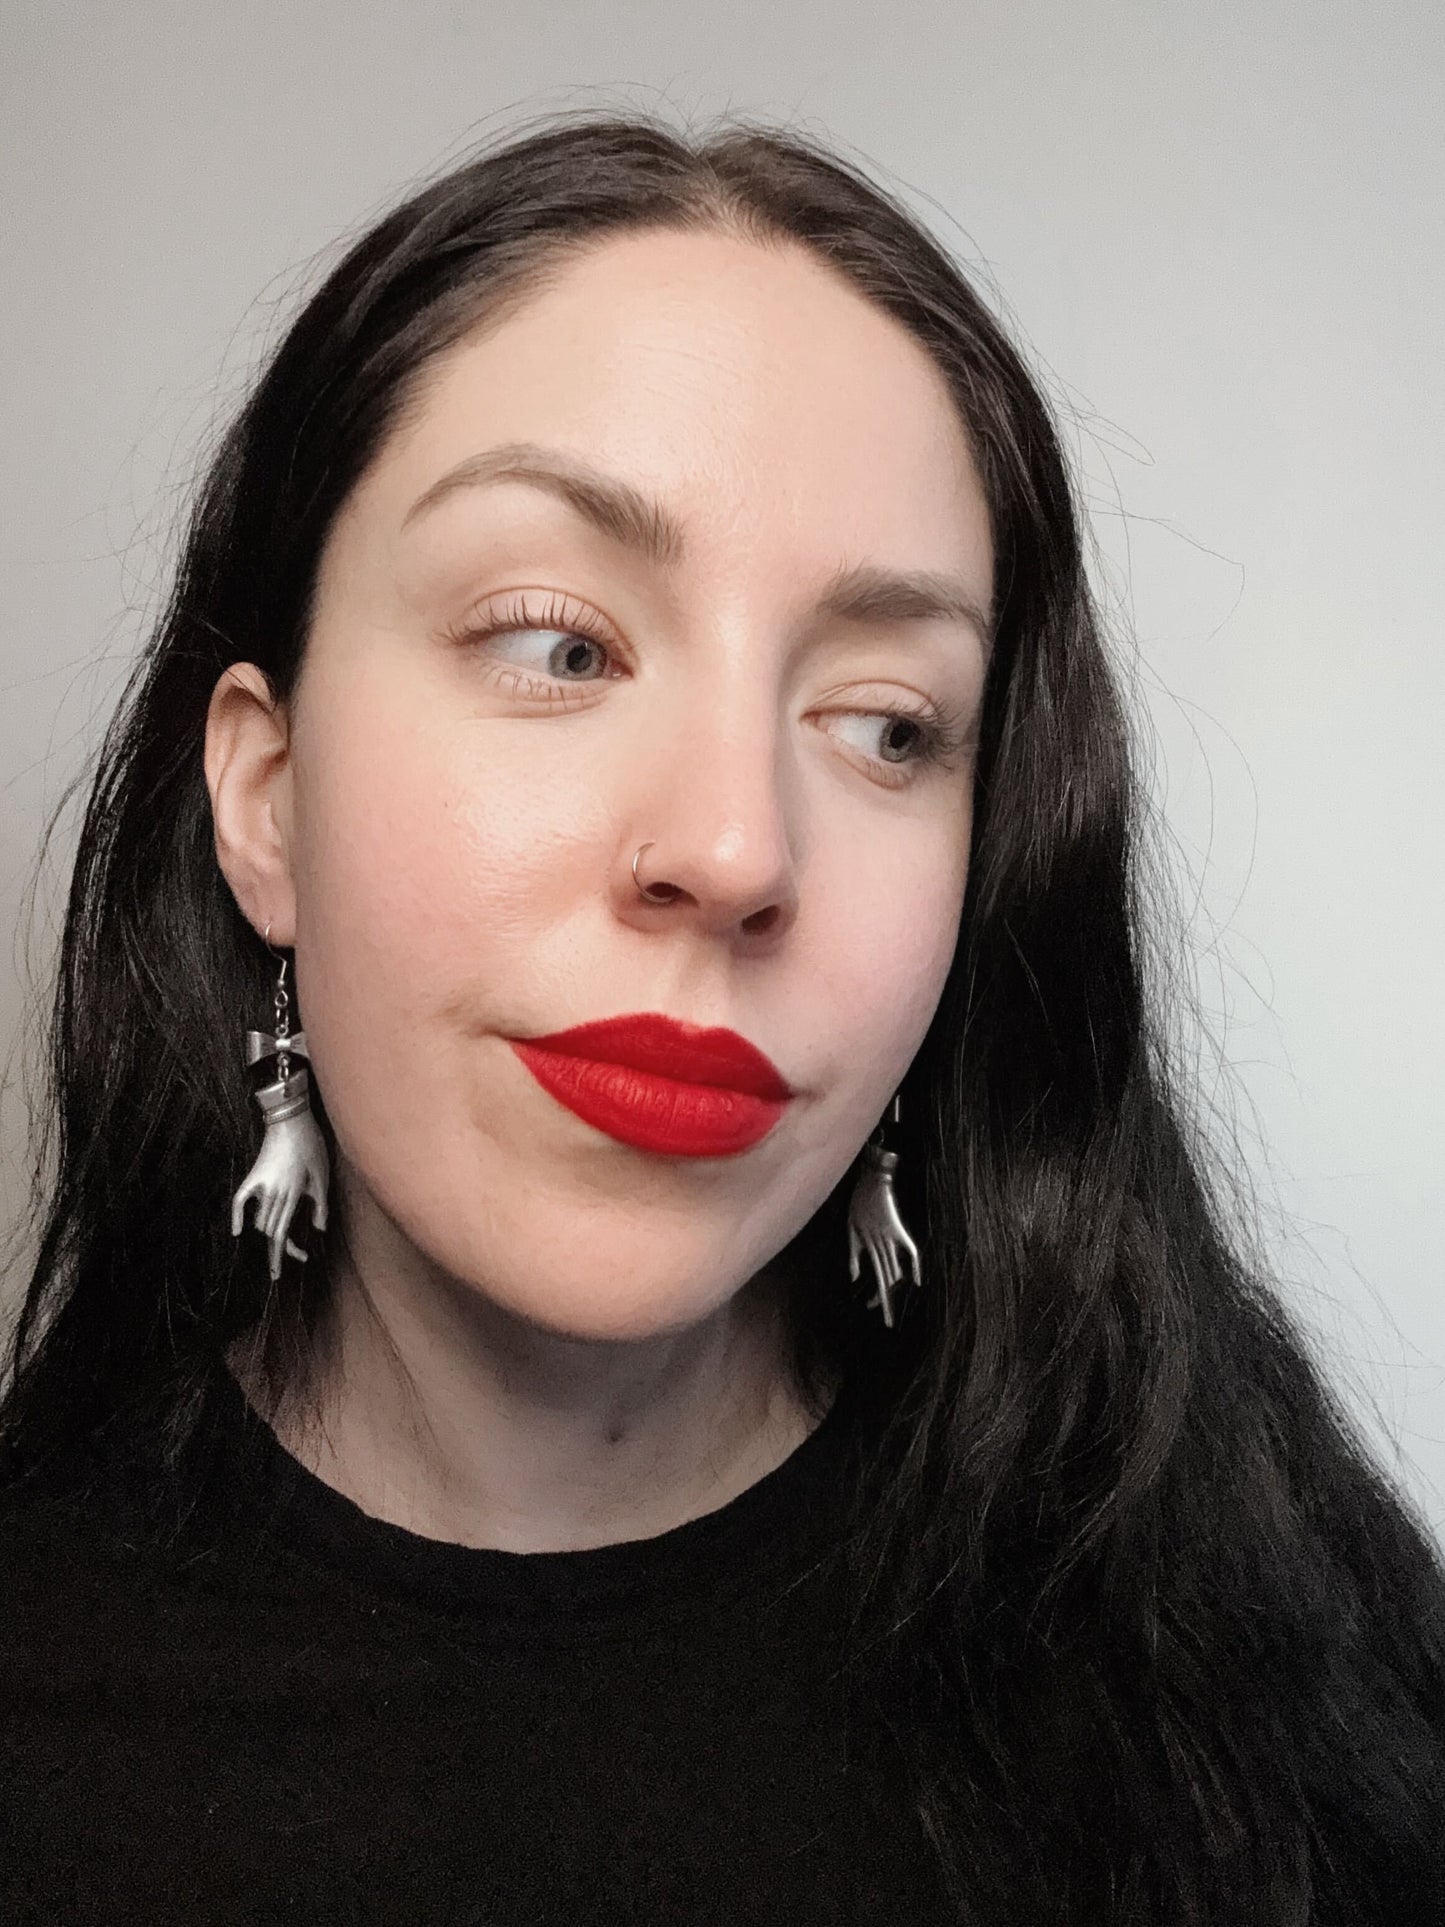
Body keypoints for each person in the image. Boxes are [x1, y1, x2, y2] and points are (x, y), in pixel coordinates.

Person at [2, 110, 1441, 1926]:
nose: (739, 847)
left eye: (884, 724)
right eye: (558, 644)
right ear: (266, 802)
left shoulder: (1279, 1725)